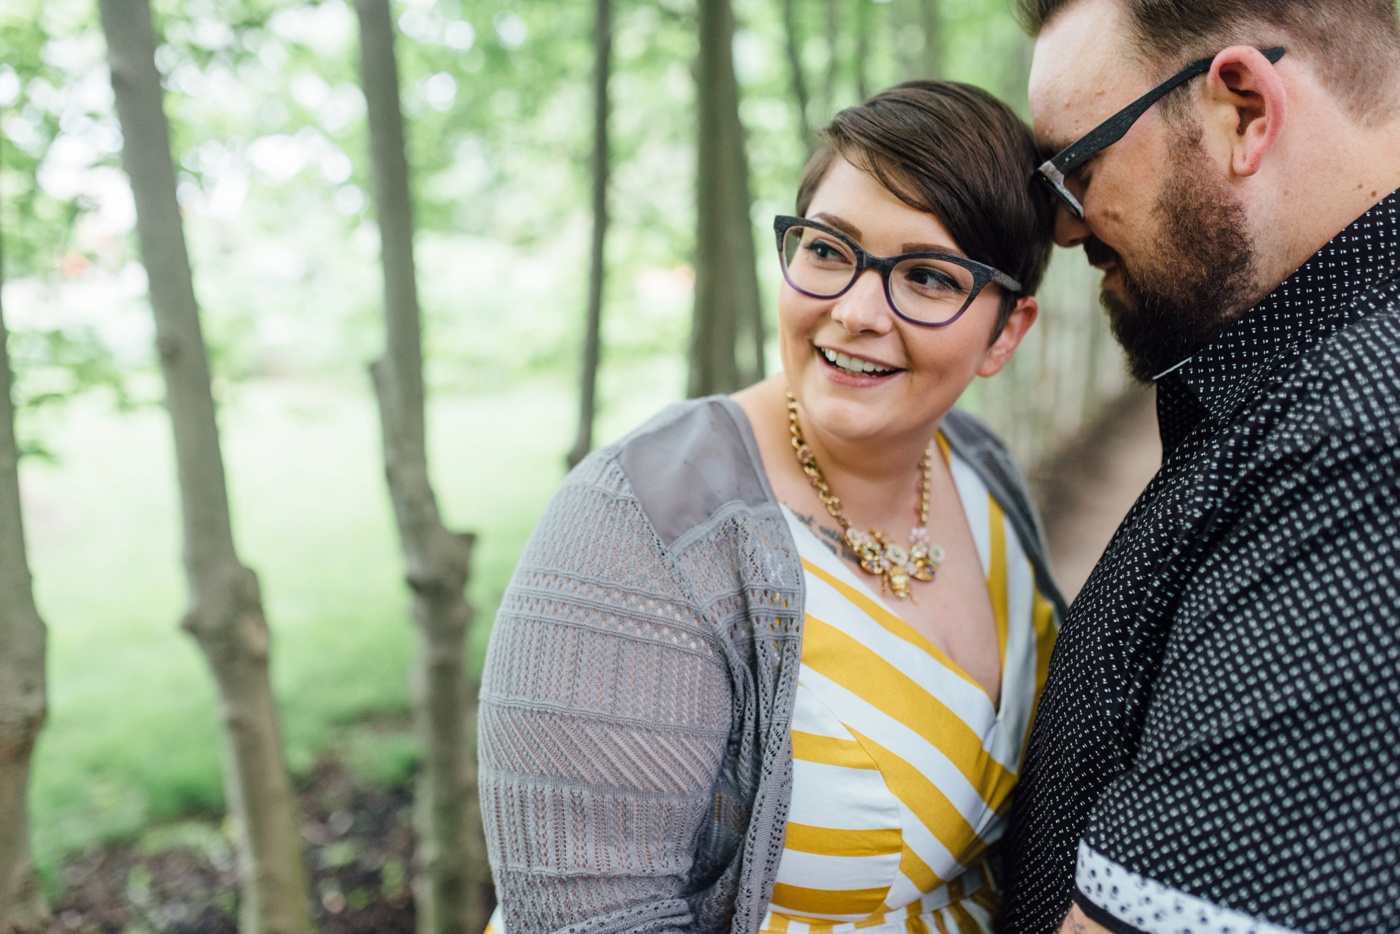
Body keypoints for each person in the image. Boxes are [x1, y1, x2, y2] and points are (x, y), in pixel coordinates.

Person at [478, 81, 1064, 934]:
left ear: (1006, 332)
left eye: (930, 276)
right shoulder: (641, 528)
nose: (857, 312)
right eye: (830, 251)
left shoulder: (980, 468)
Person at [1000, 1, 1400, 932]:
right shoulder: (1308, 379)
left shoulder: (1363, 431)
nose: (1063, 232)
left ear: (1245, 111)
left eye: (1077, 169)